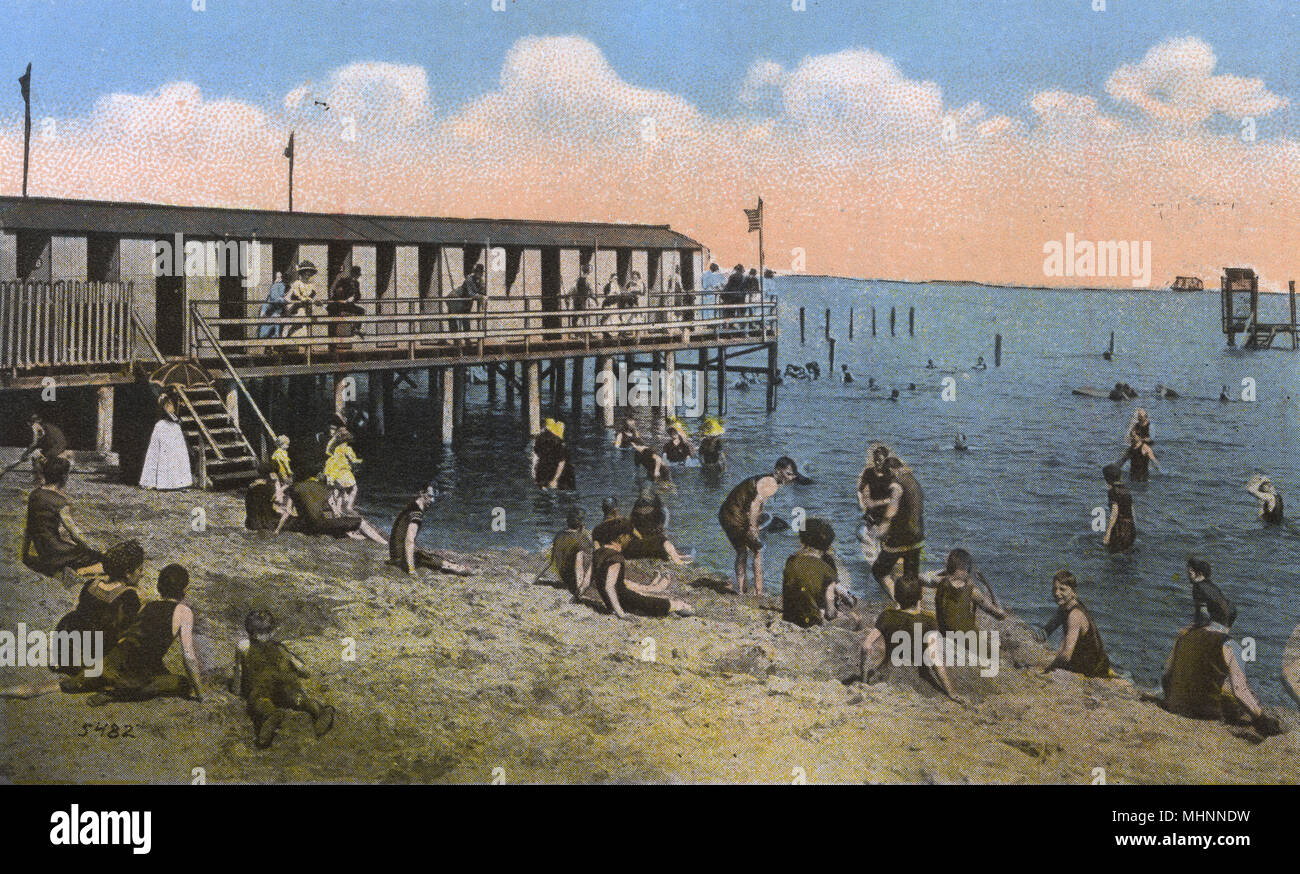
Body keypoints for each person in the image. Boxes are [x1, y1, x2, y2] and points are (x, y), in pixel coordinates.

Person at [1157, 578, 1283, 736]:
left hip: (1174, 706)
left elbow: (1166, 675)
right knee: (1241, 692)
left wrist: (1172, 698)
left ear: (1211, 617)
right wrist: (1261, 718)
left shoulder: (1184, 634)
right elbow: (1240, 690)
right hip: (1205, 715)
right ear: (1230, 623)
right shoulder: (1230, 645)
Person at [68, 564, 204, 705]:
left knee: (132, 668)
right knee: (183, 683)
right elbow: (189, 658)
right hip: (138, 674)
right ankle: (116, 693)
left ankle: (98, 681)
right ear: (185, 590)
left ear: (159, 587)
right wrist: (200, 694)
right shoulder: (184, 612)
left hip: (116, 660)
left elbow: (138, 638)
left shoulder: (147, 605)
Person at [231, 609, 335, 749]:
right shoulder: (279, 647)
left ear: (250, 631)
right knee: (297, 698)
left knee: (260, 700)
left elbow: (239, 671)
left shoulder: (243, 646)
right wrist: (303, 673)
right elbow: (301, 667)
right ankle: (319, 711)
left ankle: (271, 715)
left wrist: (236, 690)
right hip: (284, 684)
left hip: (261, 686)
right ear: (271, 630)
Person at [857, 573, 962, 702]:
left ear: (896, 597)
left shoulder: (887, 615)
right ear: (920, 597)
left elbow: (866, 645)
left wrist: (864, 678)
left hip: (887, 675)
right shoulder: (929, 621)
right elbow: (935, 659)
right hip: (916, 678)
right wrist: (950, 691)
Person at [52, 540, 145, 676]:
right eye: (140, 569)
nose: (142, 574)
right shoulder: (128, 597)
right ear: (127, 573)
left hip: (67, 651)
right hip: (92, 658)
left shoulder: (91, 585)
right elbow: (124, 634)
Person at [717, 457, 801, 594]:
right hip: (736, 516)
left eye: (793, 475)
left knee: (742, 551)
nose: (791, 478)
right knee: (758, 551)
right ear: (778, 471)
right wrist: (753, 527)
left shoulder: (766, 479)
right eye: (788, 473)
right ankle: (758, 592)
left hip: (726, 513)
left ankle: (742, 590)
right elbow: (754, 505)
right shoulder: (771, 483)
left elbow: (757, 503)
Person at [590, 518, 692, 618]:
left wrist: (578, 595)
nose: (630, 539)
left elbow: (590, 578)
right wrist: (620, 613)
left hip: (616, 599)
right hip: (625, 600)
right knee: (673, 605)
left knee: (646, 596)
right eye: (629, 536)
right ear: (621, 537)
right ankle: (680, 605)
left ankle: (659, 592)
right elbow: (609, 587)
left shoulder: (598, 553)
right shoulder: (615, 557)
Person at [21, 456, 103, 576]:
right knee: (101, 559)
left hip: (42, 551)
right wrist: (91, 549)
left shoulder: (34, 495)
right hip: (57, 551)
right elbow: (74, 534)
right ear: (64, 477)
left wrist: (24, 554)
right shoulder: (60, 502)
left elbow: (28, 529)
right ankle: (79, 572)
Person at [1036, 570, 1112, 677]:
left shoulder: (1075, 615)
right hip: (1089, 660)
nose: (1057, 593)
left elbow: (1066, 655)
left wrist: (1049, 668)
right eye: (1054, 589)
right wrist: (1037, 636)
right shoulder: (1065, 607)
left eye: (1062, 589)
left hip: (1094, 668)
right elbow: (1047, 630)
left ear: (1073, 591)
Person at [388, 484, 473, 575]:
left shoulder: (411, 506)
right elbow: (409, 540)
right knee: (429, 559)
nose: (432, 500)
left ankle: (451, 565)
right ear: (421, 494)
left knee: (427, 555)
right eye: (430, 496)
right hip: (400, 557)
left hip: (395, 553)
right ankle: (455, 567)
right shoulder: (416, 514)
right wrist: (411, 569)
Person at [782, 518, 853, 627]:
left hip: (789, 616)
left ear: (802, 540)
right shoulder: (826, 568)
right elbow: (830, 613)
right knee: (855, 619)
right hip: (810, 621)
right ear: (828, 546)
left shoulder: (791, 560)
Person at [871, 455, 925, 596]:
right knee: (911, 577)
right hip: (918, 536)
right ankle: (914, 605)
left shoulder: (897, 484)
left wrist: (882, 528)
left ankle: (897, 599)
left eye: (887, 474)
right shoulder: (913, 481)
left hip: (900, 538)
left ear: (891, 470)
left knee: (878, 570)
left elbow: (892, 508)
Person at [922, 548, 1005, 636]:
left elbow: (923, 577)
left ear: (949, 564)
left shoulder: (939, 582)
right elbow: (1000, 615)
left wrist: (945, 571)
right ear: (967, 566)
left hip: (944, 637)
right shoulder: (973, 592)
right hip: (966, 641)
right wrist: (987, 585)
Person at [286, 476, 386, 543]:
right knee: (360, 522)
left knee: (337, 525)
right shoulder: (323, 489)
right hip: (321, 526)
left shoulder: (294, 489)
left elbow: (289, 511)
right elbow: (335, 513)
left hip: (308, 527)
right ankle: (383, 543)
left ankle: (353, 535)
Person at [139, 390, 193, 490]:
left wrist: (178, 414)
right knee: (161, 453)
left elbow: (175, 416)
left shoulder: (176, 398)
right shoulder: (166, 401)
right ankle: (157, 481)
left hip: (173, 426)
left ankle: (177, 482)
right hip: (165, 426)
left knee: (176, 454)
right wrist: (169, 409)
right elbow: (168, 412)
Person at [547, 509, 593, 598]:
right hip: (575, 580)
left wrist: (535, 579)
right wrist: (579, 587)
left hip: (564, 576)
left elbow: (550, 561)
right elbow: (579, 563)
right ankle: (581, 589)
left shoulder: (559, 535)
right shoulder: (581, 539)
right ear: (581, 523)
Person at [21, 412, 70, 485]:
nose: (31, 424)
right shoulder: (47, 426)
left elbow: (34, 444)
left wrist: (25, 454)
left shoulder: (37, 428)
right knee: (41, 457)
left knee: (36, 458)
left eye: (32, 422)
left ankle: (40, 478)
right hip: (58, 446)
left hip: (55, 447)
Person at [323, 429, 362, 514]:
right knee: (354, 488)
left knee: (338, 491)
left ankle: (337, 511)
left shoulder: (334, 449)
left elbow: (327, 452)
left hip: (332, 472)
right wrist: (361, 461)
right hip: (343, 472)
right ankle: (348, 507)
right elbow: (354, 460)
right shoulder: (347, 449)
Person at [532, 418, 576, 490]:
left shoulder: (555, 443)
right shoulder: (555, 443)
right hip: (551, 468)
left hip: (556, 471)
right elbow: (536, 458)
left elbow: (562, 462)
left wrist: (554, 480)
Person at [1102, 464, 1135, 553]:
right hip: (1131, 528)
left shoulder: (1112, 492)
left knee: (1114, 555)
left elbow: (1114, 513)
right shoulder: (1127, 489)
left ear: (1107, 479)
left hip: (1119, 529)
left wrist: (1107, 534)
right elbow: (1132, 510)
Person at [283, 260, 320, 340]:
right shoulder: (297, 283)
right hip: (295, 309)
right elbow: (297, 295)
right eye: (306, 272)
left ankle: (306, 350)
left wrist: (317, 302)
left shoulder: (311, 285)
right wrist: (303, 299)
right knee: (292, 329)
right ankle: (283, 346)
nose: (308, 274)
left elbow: (314, 297)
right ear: (302, 273)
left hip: (306, 310)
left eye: (310, 272)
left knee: (305, 331)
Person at [449, 263, 487, 338]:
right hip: (455, 297)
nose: (478, 274)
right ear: (474, 272)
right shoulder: (469, 279)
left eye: (480, 272)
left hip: (466, 301)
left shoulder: (481, 281)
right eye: (477, 272)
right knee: (453, 318)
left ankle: (467, 338)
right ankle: (455, 339)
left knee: (466, 317)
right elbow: (471, 294)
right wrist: (481, 296)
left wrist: (483, 298)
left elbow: (483, 293)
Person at [327, 265, 365, 337]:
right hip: (339, 304)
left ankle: (356, 328)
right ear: (352, 274)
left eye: (358, 275)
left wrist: (353, 298)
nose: (357, 276)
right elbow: (336, 292)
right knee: (334, 322)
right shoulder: (344, 281)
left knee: (361, 311)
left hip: (348, 305)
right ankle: (332, 341)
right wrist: (345, 299)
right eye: (356, 274)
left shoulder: (356, 283)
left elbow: (358, 295)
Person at [257, 271, 287, 340]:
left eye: (280, 277)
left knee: (277, 333)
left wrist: (281, 300)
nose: (279, 279)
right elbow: (273, 297)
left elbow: (282, 298)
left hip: (277, 313)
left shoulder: (282, 285)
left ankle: (273, 348)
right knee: (263, 335)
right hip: (269, 315)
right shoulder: (274, 286)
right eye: (277, 277)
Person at [571, 263, 596, 332]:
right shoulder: (587, 280)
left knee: (576, 317)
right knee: (584, 316)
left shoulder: (577, 279)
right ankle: (586, 333)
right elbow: (591, 291)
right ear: (588, 272)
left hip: (577, 300)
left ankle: (576, 332)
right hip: (583, 301)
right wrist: (595, 300)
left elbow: (573, 289)